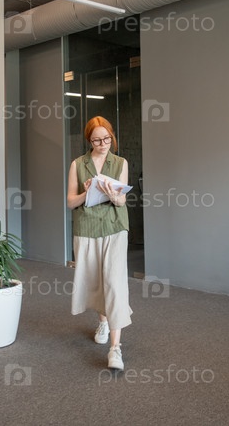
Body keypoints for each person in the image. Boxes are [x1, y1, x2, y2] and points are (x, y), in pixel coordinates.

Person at [67, 116, 131, 370]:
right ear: (89, 140)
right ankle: (103, 321)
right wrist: (88, 192)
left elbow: (122, 202)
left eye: (106, 139)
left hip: (115, 227)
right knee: (96, 282)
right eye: (97, 140)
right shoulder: (77, 164)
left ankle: (115, 348)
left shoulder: (120, 163)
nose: (103, 144)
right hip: (87, 228)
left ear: (111, 137)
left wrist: (113, 195)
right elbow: (70, 202)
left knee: (114, 284)